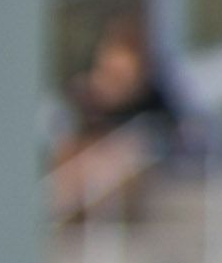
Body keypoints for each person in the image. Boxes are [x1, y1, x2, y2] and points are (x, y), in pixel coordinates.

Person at [54, 12, 185, 222]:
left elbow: (170, 132)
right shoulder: (87, 95)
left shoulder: (152, 98)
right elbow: (72, 134)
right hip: (88, 165)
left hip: (129, 171)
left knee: (114, 157)